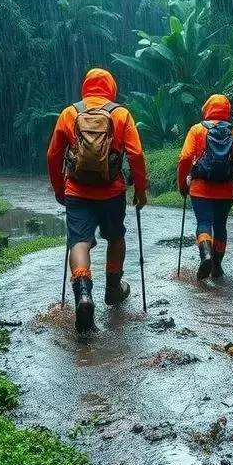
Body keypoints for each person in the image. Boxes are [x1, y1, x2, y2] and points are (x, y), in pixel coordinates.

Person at [47, 68, 148, 332]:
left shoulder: (70, 113)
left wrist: (59, 188)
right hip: (112, 191)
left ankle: (83, 294)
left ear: (85, 87)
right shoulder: (120, 114)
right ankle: (113, 289)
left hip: (77, 191)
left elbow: (53, 155)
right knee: (115, 238)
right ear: (111, 88)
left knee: (79, 242)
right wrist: (141, 188)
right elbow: (136, 154)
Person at [177, 94, 233, 279]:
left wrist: (182, 183)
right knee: (220, 225)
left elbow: (185, 158)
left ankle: (206, 255)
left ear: (207, 109)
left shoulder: (197, 130)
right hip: (226, 189)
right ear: (227, 110)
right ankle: (217, 266)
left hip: (200, 188)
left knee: (203, 223)